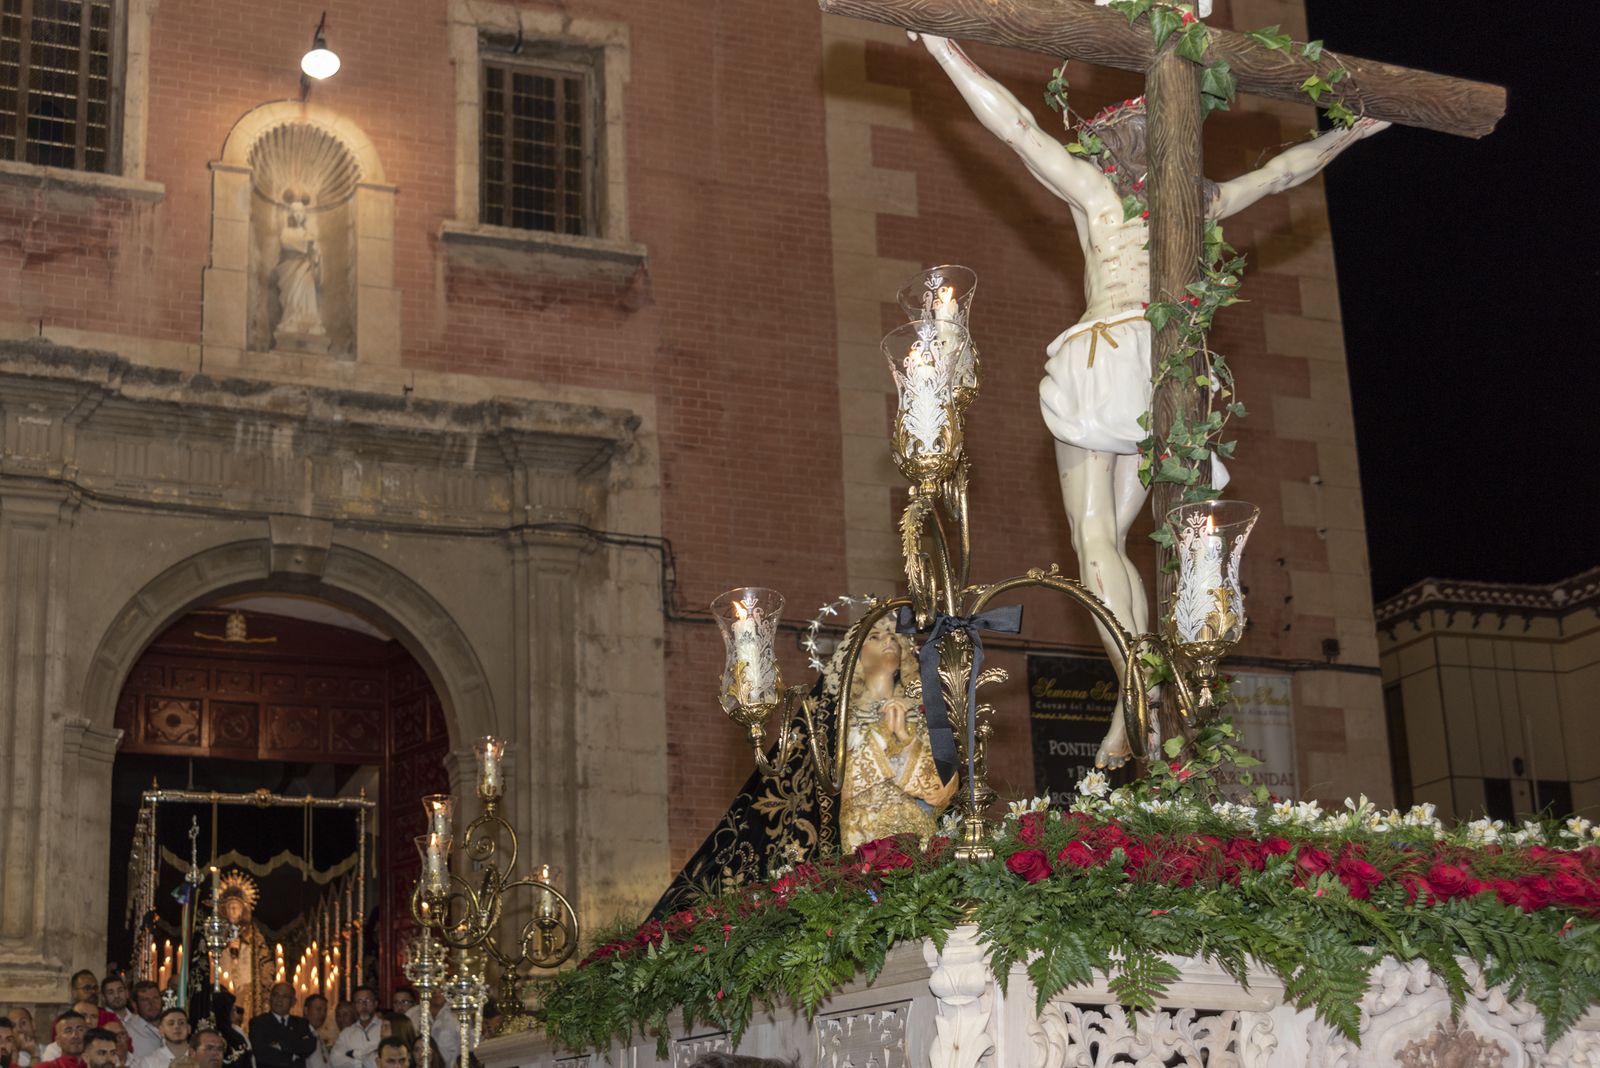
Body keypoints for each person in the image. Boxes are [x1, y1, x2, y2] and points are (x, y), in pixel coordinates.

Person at [912, 34, 1387, 767]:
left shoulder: (1102, 202)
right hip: (1173, 373)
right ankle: (1140, 703)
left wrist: (944, 48)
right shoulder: (1201, 206)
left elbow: (1013, 126)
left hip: (1103, 356)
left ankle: (1135, 689)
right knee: (1121, 545)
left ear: (1115, 151)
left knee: (1093, 540)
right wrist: (1355, 129)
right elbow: (1287, 172)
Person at [839, 615, 958, 850]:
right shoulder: (841, 717)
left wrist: (906, 739)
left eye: (894, 636)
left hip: (916, 835)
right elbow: (831, 785)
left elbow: (946, 791)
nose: (888, 640)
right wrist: (880, 739)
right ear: (856, 657)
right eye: (875, 636)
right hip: (861, 835)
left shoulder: (921, 713)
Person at [272, 193, 326, 344]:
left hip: (305, 270)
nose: (298, 215)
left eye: (301, 212)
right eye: (295, 212)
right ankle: (291, 319)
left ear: (304, 215)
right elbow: (285, 244)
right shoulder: (287, 232)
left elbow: (315, 254)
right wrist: (305, 244)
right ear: (290, 214)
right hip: (291, 269)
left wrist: (316, 253)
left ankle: (309, 322)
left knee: (308, 295)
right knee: (292, 298)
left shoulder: (308, 234)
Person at [248, 984, 314, 1068]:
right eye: (276, 995)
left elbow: (309, 1045)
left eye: (285, 996)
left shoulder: (301, 1023)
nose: (279, 1000)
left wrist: (281, 1046)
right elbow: (261, 1053)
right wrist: (292, 1056)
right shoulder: (258, 1023)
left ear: (293, 1002)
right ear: (270, 998)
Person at [329, 989, 377, 1068]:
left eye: (367, 1001)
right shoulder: (346, 1033)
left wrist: (354, 1055)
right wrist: (362, 1063)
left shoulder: (385, 1027)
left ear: (375, 1003)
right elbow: (335, 1059)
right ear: (354, 1006)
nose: (363, 1005)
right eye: (359, 1002)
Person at [400, 996, 452, 1068]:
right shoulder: (412, 1013)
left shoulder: (452, 1014)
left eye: (425, 1048)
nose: (421, 1053)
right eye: (417, 1050)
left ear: (433, 1052)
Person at [123, 986, 161, 1061]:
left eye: (155, 998)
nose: (152, 1004)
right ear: (134, 1005)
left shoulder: (171, 1024)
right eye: (145, 1000)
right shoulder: (127, 1030)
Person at [297, 999, 328, 1068]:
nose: (323, 1014)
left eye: (325, 1010)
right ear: (306, 1010)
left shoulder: (316, 1034)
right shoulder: (298, 1034)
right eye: (319, 1009)